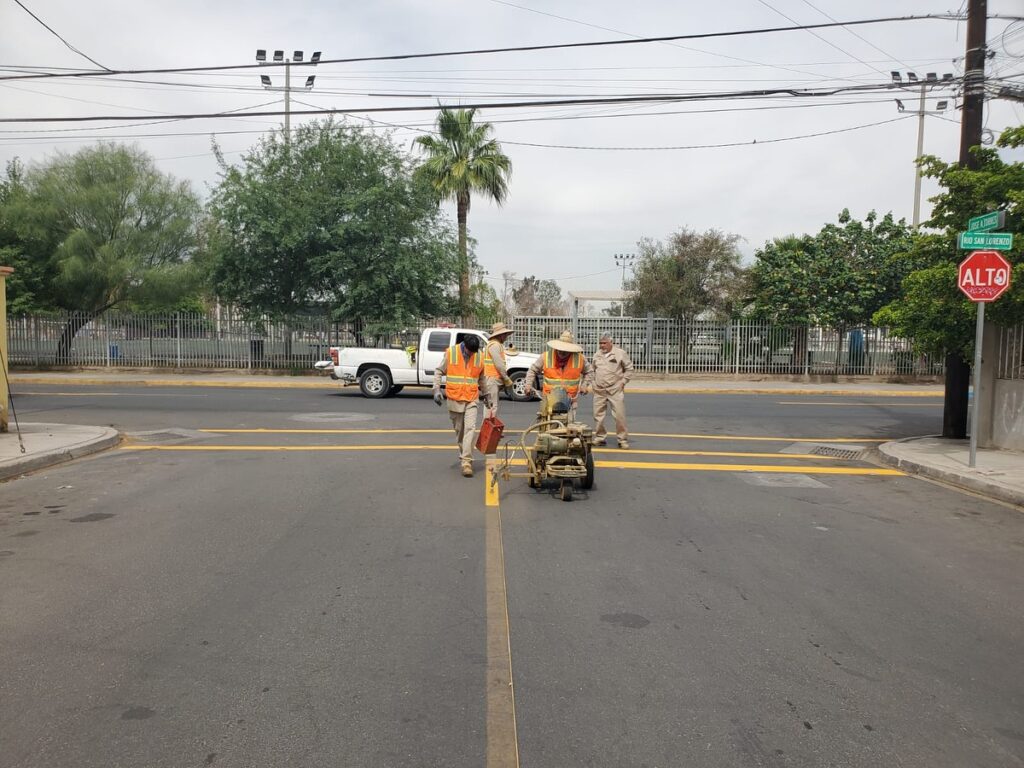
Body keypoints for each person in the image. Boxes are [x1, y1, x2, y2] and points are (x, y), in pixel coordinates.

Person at [432, 335, 491, 477]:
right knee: (460, 432)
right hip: (455, 399)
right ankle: (464, 453)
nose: (471, 355)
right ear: (464, 346)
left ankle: (466, 463)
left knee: (470, 429)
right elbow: (439, 371)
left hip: (471, 398)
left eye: (474, 353)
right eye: (470, 352)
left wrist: (487, 395)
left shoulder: (479, 356)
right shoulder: (451, 353)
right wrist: (436, 390)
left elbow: (482, 378)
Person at [524, 330, 594, 421]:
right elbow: (532, 370)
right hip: (549, 401)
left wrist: (584, 385)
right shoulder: (545, 357)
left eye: (565, 350)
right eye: (560, 350)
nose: (562, 352)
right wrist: (528, 385)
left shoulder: (580, 358)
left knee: (569, 427)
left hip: (570, 402)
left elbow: (590, 372)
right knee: (548, 426)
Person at [591, 333, 634, 449]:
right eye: (600, 343)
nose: (602, 345)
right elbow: (592, 370)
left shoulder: (620, 353)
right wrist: (593, 383)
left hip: (615, 389)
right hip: (599, 390)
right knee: (598, 415)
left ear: (611, 343)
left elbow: (629, 369)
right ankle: (600, 437)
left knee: (619, 416)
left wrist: (623, 382)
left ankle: (622, 439)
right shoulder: (597, 354)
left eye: (604, 343)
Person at [482, 322, 516, 418]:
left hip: (492, 378)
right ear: (501, 335)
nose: (506, 337)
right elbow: (499, 364)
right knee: (492, 406)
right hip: (492, 378)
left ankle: (489, 425)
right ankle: (488, 426)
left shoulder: (494, 345)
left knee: (491, 404)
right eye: (505, 335)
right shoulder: (495, 345)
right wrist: (506, 378)